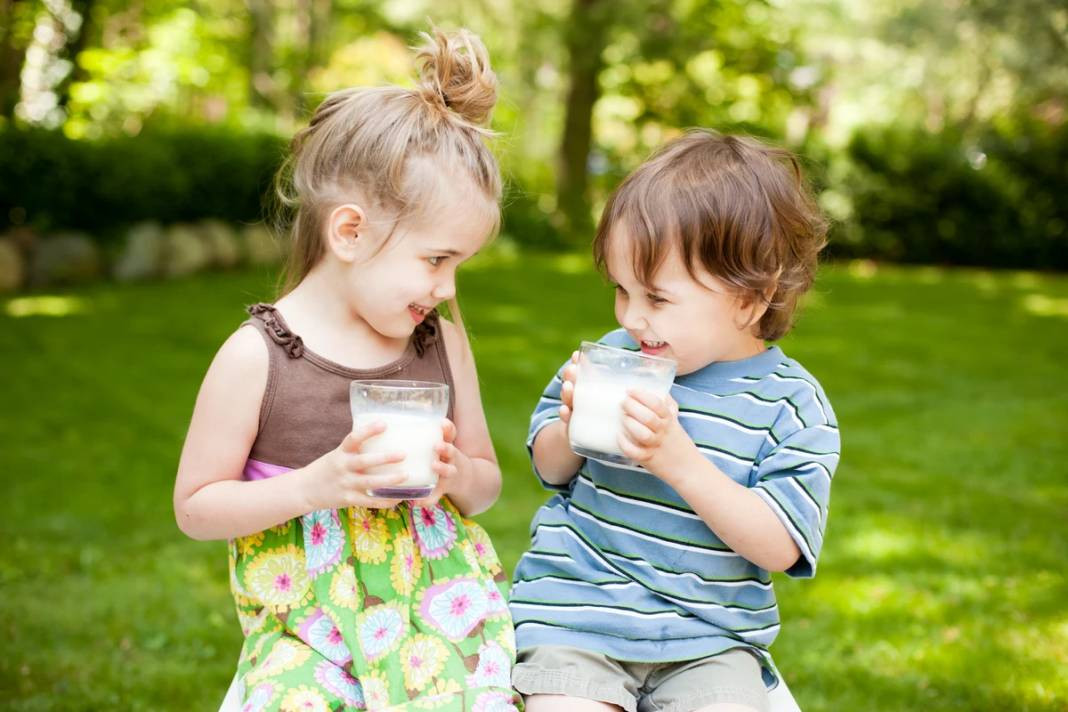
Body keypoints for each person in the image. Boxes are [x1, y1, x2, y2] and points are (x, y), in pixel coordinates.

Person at [173, 27, 520, 712]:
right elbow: (196, 507)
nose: (448, 288)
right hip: (308, 628)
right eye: (435, 259)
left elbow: (484, 486)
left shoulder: (441, 344)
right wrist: (316, 485)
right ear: (351, 232)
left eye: (459, 265)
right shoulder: (259, 356)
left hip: (438, 614)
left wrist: (454, 475)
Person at [509, 130, 840, 712]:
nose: (632, 317)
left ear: (750, 299)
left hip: (709, 641)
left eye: (657, 299)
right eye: (621, 290)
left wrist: (677, 460)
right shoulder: (614, 358)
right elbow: (549, 467)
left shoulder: (792, 406)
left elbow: (781, 547)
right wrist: (571, 426)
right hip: (578, 613)